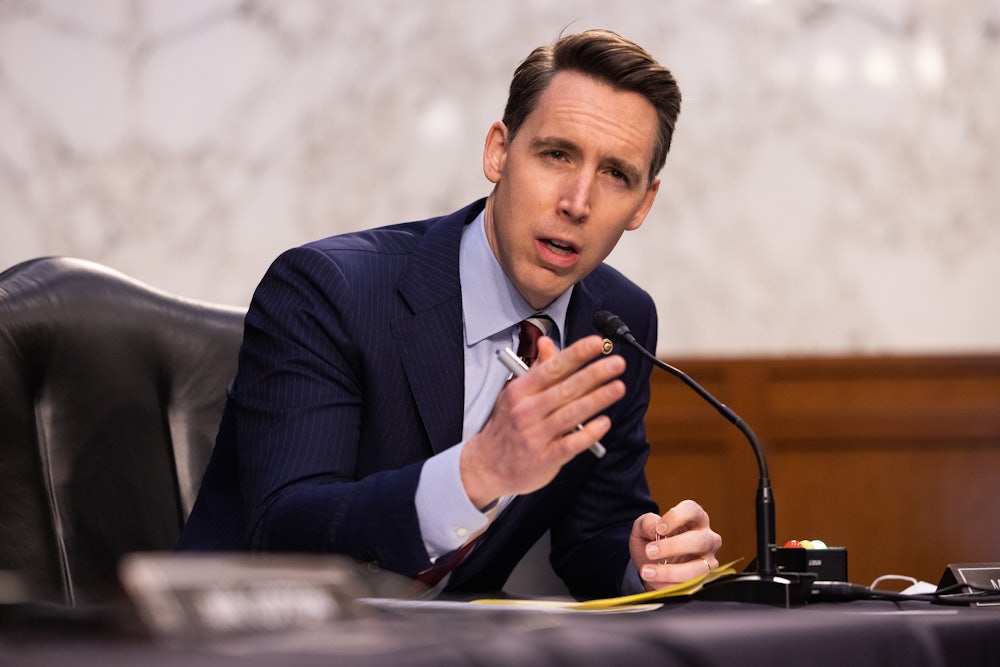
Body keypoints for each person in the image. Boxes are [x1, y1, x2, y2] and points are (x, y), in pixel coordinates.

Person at [178, 28, 722, 599]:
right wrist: (477, 474)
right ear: (498, 151)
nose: (577, 202)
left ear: (644, 204)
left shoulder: (617, 322)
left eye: (616, 175)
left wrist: (644, 561)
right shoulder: (331, 289)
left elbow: (594, 534)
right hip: (255, 637)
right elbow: (283, 527)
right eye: (556, 154)